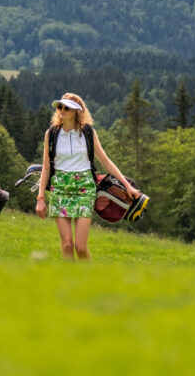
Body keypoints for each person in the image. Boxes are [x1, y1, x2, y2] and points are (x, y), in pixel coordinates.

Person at [35, 93, 140, 261]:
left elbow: (106, 161)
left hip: (84, 188)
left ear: (77, 111)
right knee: (67, 245)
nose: (61, 110)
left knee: (81, 247)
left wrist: (127, 186)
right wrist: (40, 198)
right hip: (60, 188)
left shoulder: (88, 133)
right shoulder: (52, 134)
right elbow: (46, 166)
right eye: (59, 107)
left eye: (66, 107)